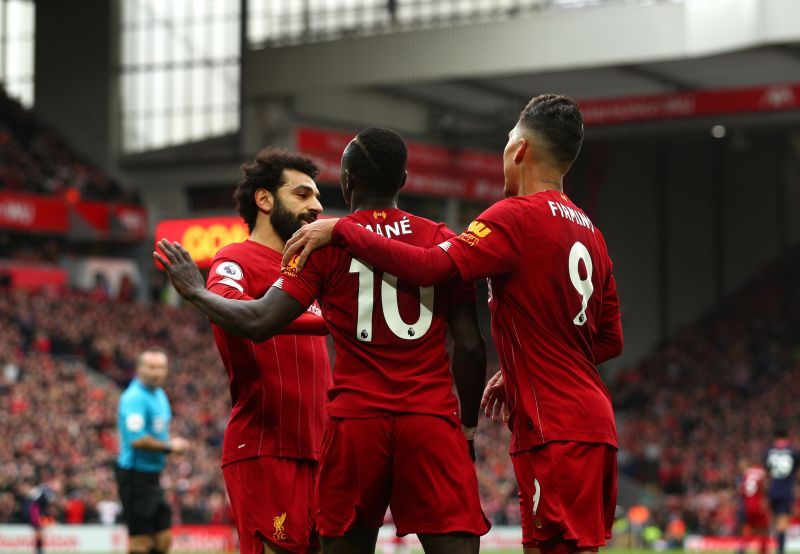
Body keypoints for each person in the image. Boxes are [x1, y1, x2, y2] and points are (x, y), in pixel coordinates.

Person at [283, 94, 624, 554]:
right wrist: (525, 365)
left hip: (553, 427)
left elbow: (429, 269)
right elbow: (609, 340)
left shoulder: (513, 217)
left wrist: (343, 230)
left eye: (506, 143)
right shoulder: (591, 231)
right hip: (597, 424)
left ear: (519, 150)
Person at [154, 126, 490, 554]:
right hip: (429, 418)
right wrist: (467, 428)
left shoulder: (321, 243)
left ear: (346, 181)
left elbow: (260, 319)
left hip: (355, 424)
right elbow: (472, 346)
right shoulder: (442, 241)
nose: (314, 206)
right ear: (403, 181)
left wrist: (194, 292)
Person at [206, 148, 331, 554]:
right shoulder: (235, 259)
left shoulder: (313, 270)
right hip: (267, 450)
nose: (316, 205)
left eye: (317, 196)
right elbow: (228, 307)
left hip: (321, 451)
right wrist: (329, 321)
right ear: (265, 200)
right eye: (302, 194)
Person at [116, 347, 189, 554]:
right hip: (135, 476)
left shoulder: (159, 394)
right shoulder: (134, 397)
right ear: (139, 369)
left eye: (161, 367)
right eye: (151, 367)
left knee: (164, 539)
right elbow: (137, 440)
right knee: (140, 542)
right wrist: (169, 446)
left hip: (153, 476)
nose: (156, 371)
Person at [765, 425, 799, 554]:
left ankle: (767, 545)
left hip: (772, 489)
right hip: (786, 489)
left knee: (771, 519)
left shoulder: (769, 451)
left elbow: (766, 471)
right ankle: (780, 549)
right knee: (783, 520)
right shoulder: (793, 451)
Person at [737, 460, 769, 554]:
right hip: (759, 505)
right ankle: (763, 551)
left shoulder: (745, 476)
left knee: (748, 527)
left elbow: (741, 491)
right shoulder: (760, 472)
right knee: (763, 529)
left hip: (748, 505)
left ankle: (742, 548)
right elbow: (765, 487)